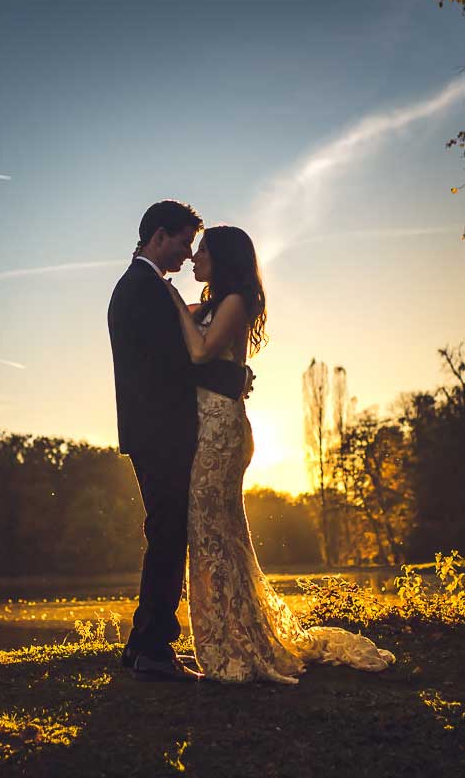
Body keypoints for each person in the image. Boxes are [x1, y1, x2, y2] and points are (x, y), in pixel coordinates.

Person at [163, 225, 395, 683]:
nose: (194, 257)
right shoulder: (208, 305)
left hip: (222, 430)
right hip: (205, 426)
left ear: (224, 258)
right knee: (214, 531)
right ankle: (231, 636)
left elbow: (200, 351)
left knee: (214, 531)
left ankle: (234, 645)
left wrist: (172, 300)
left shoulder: (235, 302)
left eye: (203, 250)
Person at [108, 201, 251, 682]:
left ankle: (143, 644)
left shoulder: (144, 286)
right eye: (184, 242)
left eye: (195, 245)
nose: (189, 253)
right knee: (168, 534)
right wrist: (234, 379)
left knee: (166, 531)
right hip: (160, 430)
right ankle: (152, 649)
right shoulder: (143, 289)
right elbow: (176, 364)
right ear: (158, 236)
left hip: (156, 429)